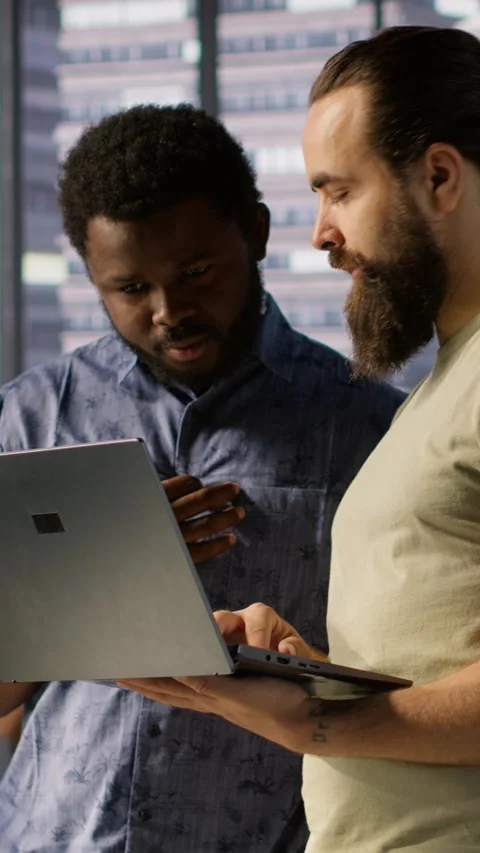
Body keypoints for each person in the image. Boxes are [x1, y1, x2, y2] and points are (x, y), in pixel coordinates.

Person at [0, 104, 402, 853]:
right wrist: (90, 573)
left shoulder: (372, 428)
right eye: (129, 288)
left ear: (252, 232)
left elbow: (402, 682)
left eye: (195, 273)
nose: (168, 311)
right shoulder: (28, 420)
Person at [117, 26, 480, 853]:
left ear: (439, 176)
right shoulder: (438, 388)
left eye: (339, 191)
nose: (320, 234)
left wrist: (314, 721)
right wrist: (305, 664)